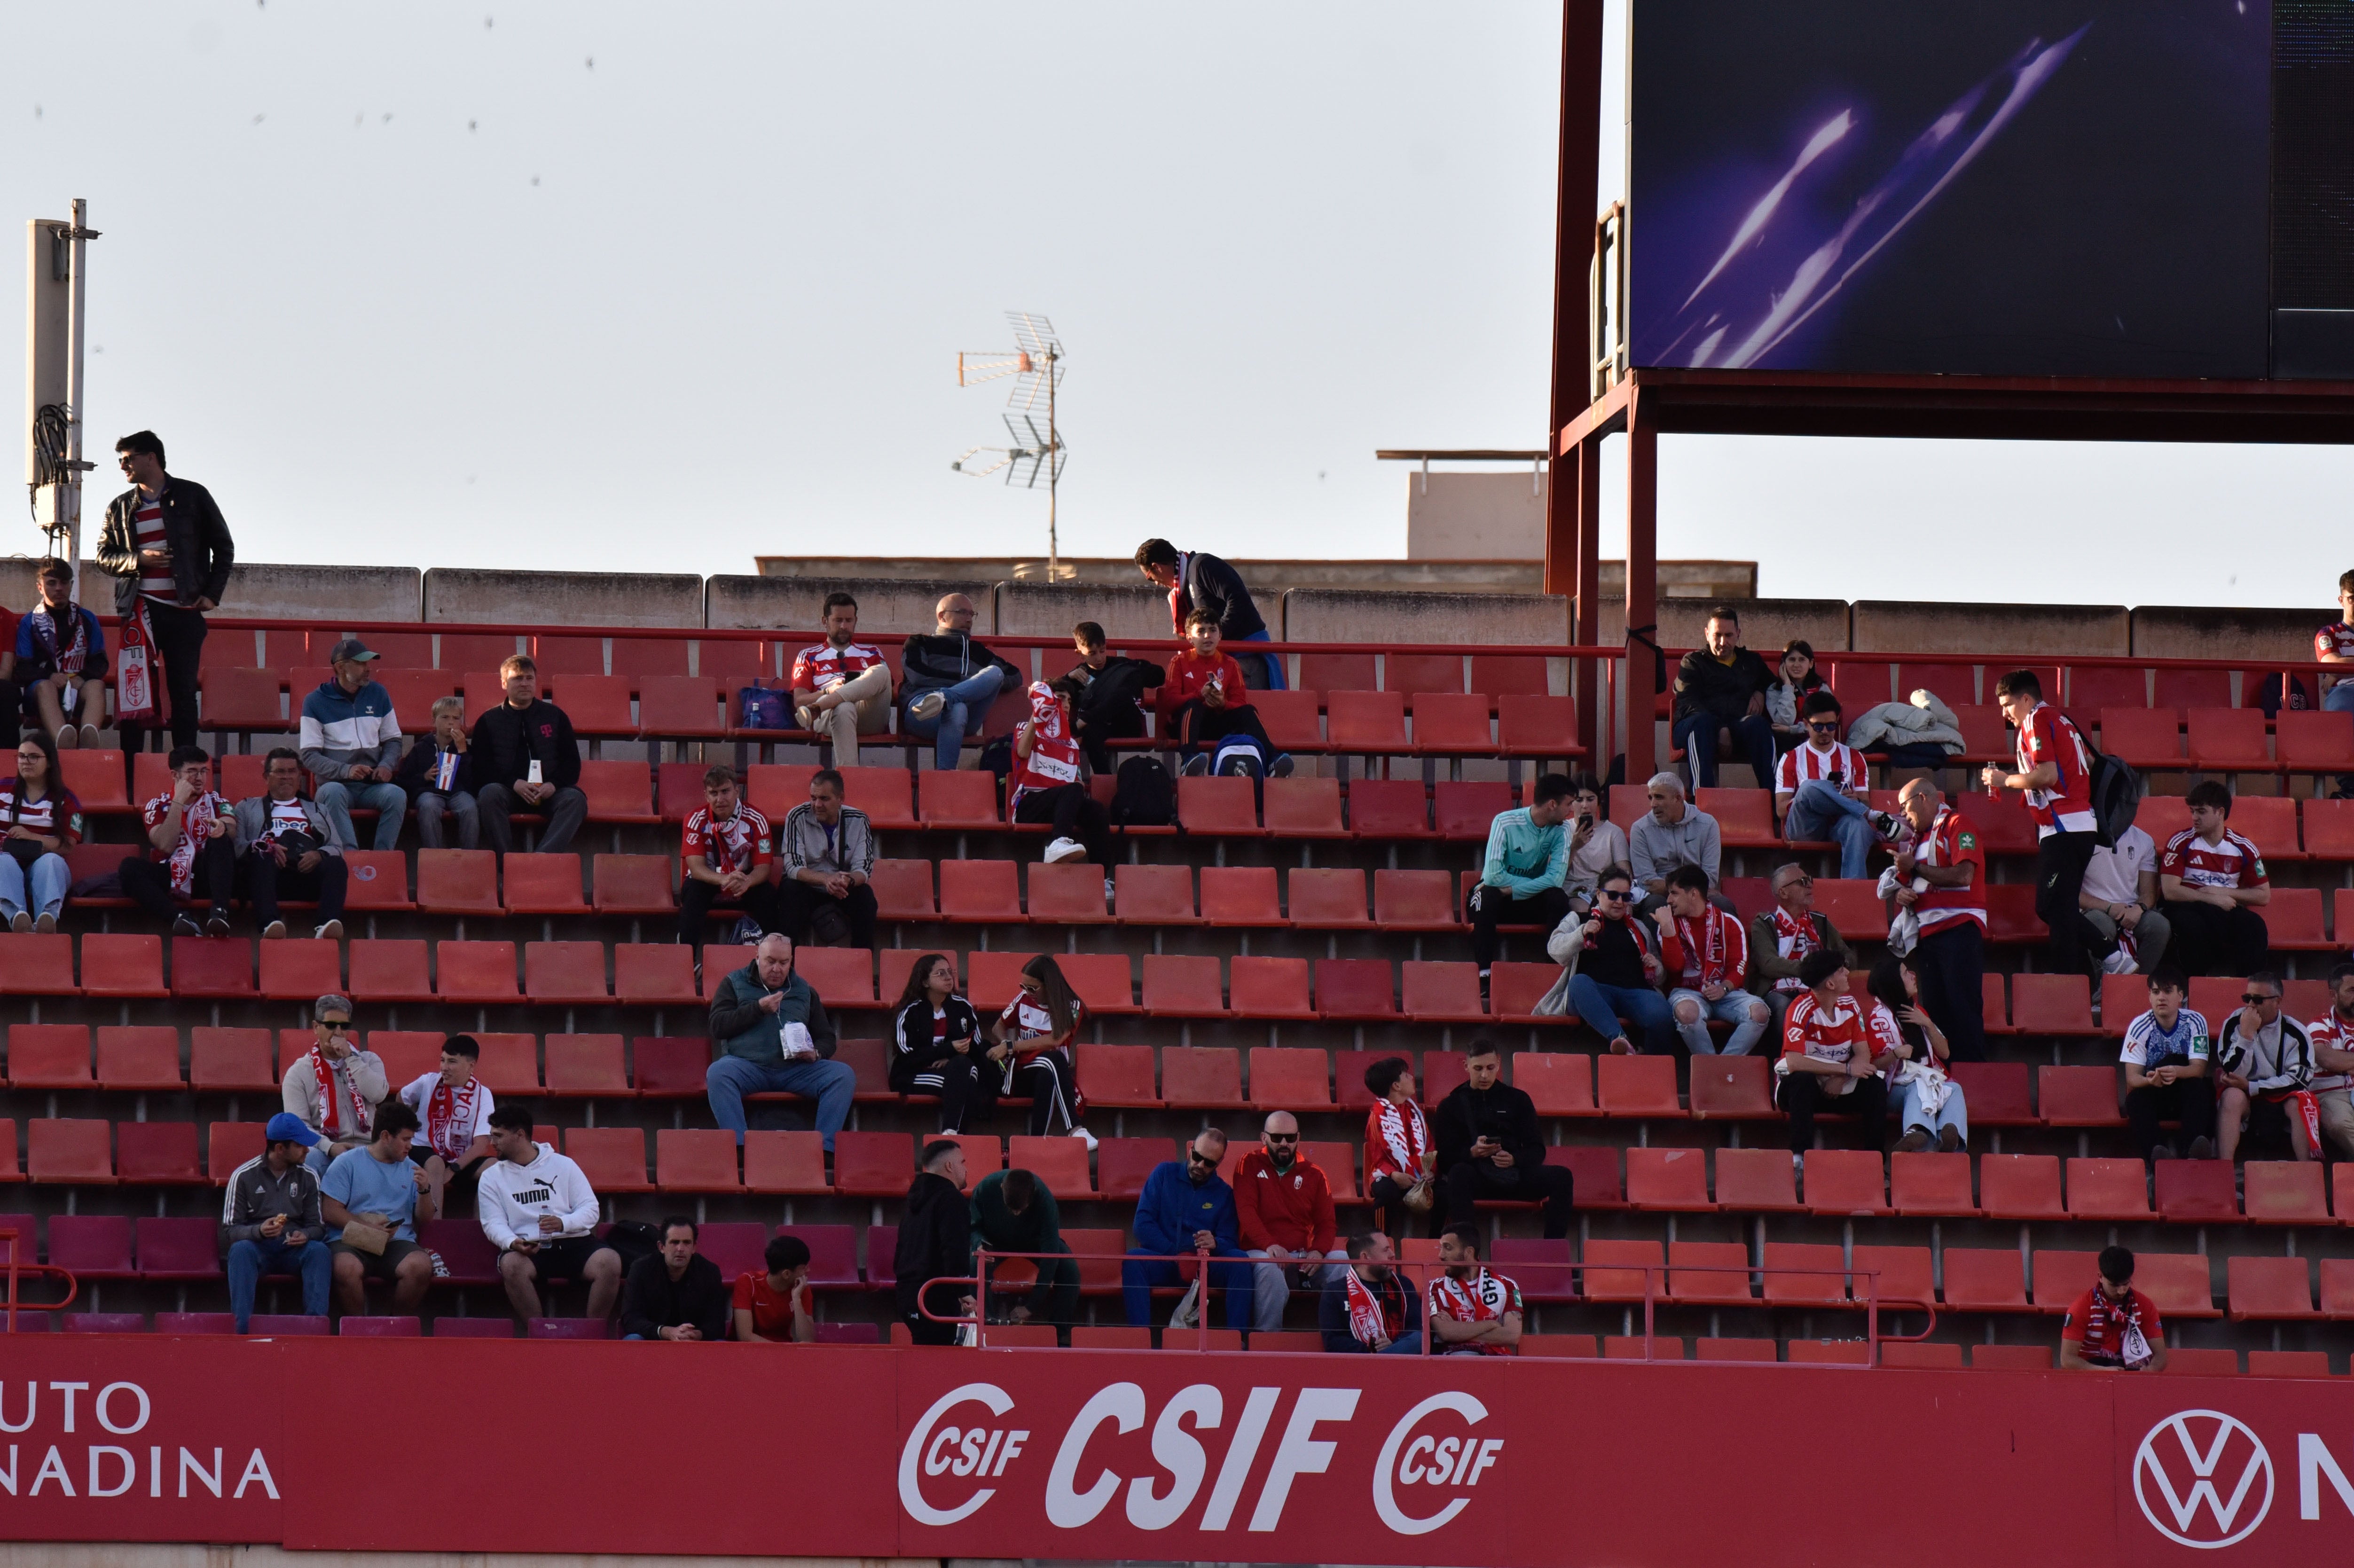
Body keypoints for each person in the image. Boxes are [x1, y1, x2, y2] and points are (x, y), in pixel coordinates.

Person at [94, 430, 234, 758]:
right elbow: (103, 557)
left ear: (151, 458)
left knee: (183, 693)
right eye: (120, 460)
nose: (122, 467)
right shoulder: (119, 507)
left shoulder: (193, 495)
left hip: (184, 611)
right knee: (133, 693)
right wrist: (138, 560)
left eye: (127, 459)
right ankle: (130, 772)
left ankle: (187, 767)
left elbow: (224, 548)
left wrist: (213, 594)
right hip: (139, 610)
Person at [1982, 669, 2098, 978]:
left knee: (2051, 908)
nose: (2005, 714)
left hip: (2063, 828)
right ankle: (2090, 972)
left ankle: (2092, 965)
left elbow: (2047, 775)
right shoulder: (2061, 719)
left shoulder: (2035, 720)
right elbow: (2088, 762)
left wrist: (2005, 780)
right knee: (2060, 908)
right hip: (2079, 825)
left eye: (2007, 705)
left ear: (2025, 698)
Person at [705, 933, 855, 1151]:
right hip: (747, 1066)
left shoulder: (804, 990)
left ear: (791, 961)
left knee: (843, 1075)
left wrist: (816, 1053)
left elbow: (827, 1037)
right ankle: (738, 1147)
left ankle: (825, 1149)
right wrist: (758, 1010)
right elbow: (717, 1026)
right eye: (771, 962)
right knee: (718, 1074)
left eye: (784, 963)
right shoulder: (734, 983)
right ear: (757, 957)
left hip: (795, 1069)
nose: (777, 969)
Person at [476, 1104, 623, 1322]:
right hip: (529, 1248)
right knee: (511, 1265)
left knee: (610, 1261)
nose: (493, 1143)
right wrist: (512, 1242)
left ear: (520, 1135)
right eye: (492, 1136)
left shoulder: (564, 1165)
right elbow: (492, 1223)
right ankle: (539, 1333)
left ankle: (595, 1332)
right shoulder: (492, 1177)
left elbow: (591, 1209)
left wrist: (563, 1223)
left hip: (574, 1242)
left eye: (498, 1136)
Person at [1888, 777, 1987, 1063]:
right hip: (1928, 934)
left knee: (1963, 1008)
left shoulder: (1957, 824)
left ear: (1922, 798)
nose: (1905, 816)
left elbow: (1963, 875)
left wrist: (1916, 868)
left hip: (1958, 929)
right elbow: (1914, 883)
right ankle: (1943, 1073)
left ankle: (1972, 1077)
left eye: (1906, 808)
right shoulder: (1918, 838)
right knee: (1935, 1012)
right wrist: (1903, 894)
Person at [1432, 1039, 1575, 1236]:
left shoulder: (1518, 1099)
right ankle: (1468, 1252)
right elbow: (1444, 1160)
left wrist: (1515, 1159)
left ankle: (1553, 1251)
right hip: (1477, 1177)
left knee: (1562, 1177)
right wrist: (1472, 1153)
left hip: (1514, 1176)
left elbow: (1537, 1149)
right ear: (1467, 1067)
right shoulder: (1450, 1105)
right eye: (1478, 1068)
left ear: (1499, 1064)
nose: (1485, 1075)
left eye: (1491, 1068)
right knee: (1458, 1174)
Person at [1122, 1129, 1252, 1330]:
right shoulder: (1164, 1174)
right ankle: (1140, 1340)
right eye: (1197, 1157)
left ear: (1219, 1163)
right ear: (1191, 1150)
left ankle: (1238, 1340)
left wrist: (1216, 1243)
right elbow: (1142, 1224)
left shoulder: (1225, 1194)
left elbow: (1230, 1240)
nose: (1200, 1166)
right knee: (1133, 1260)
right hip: (1166, 1259)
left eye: (1209, 1163)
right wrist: (1175, 1254)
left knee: (1240, 1262)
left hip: (1205, 1266)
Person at [220, 1112, 330, 1333]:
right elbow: (231, 1230)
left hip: (294, 1248)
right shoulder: (243, 1176)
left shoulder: (309, 1176)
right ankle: (242, 1329)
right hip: (258, 1248)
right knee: (240, 1251)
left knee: (319, 1252)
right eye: (300, 1146)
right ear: (280, 1149)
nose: (307, 1151)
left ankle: (315, 1329)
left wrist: (306, 1236)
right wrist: (259, 1231)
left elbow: (318, 1226)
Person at [1466, 772, 1575, 997]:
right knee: (1488, 895)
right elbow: (1494, 877)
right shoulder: (1504, 822)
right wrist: (1526, 886)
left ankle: (1551, 974)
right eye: (1569, 804)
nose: (1571, 811)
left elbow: (1556, 880)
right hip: (1496, 899)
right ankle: (1484, 976)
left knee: (1558, 898)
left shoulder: (1562, 829)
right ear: (1552, 805)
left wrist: (1514, 889)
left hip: (1524, 899)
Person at [321, 1099, 434, 1316]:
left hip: (396, 1241)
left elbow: (426, 1219)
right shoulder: (347, 1162)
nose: (410, 1146)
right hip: (350, 1239)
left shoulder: (413, 1169)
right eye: (405, 1139)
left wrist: (424, 1191)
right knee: (346, 1268)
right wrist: (368, 1229)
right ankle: (359, 1329)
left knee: (420, 1266)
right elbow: (330, 1211)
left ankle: (393, 1327)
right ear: (385, 1136)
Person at [1234, 1112, 1344, 1333]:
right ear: (1264, 1138)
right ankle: (1267, 1337)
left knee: (1342, 1260)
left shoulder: (1315, 1174)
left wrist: (1319, 1252)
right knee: (1269, 1265)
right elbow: (1246, 1212)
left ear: (1298, 1138)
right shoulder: (1249, 1163)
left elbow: (1327, 1223)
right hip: (1260, 1252)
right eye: (1277, 1138)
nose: (1284, 1143)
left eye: (1290, 1138)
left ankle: (1340, 1336)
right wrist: (1270, 1245)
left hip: (1301, 1258)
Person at [1773, 691, 1900, 879]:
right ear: (1806, 724)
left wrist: (1854, 800)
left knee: (1859, 824)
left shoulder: (1854, 757)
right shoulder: (1791, 758)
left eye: (1831, 726)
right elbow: (1782, 810)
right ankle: (1874, 817)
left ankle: (1853, 891)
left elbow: (1863, 802)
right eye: (1818, 726)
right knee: (1809, 788)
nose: (1825, 731)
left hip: (1841, 824)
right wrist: (1820, 797)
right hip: (1805, 827)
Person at [469, 654, 586, 855]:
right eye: (518, 678)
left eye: (529, 678)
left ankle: (541, 860)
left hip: (549, 793)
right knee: (489, 795)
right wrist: (514, 783)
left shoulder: (556, 716)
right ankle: (507, 862)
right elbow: (481, 767)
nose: (525, 684)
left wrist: (553, 785)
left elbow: (572, 763)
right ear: (504, 683)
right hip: (509, 792)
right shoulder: (488, 721)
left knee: (575, 800)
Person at [1774, 950, 1890, 1155]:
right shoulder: (1799, 1009)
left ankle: (1875, 1162)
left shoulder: (1850, 1005)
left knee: (1876, 1087)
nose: (1847, 972)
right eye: (1841, 970)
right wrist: (1845, 1068)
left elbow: (1863, 1054)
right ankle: (1800, 1159)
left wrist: (1841, 1077)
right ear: (1830, 984)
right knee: (1802, 1081)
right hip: (1802, 1091)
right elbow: (1794, 1062)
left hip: (1841, 1086)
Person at [1552, 865, 1675, 1055]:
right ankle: (1620, 1040)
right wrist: (1581, 934)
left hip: (1636, 993)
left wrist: (1656, 967)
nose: (1619, 902)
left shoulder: (1639, 927)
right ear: (1599, 894)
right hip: (1596, 992)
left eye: (1626, 897)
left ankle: (1651, 1067)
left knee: (1662, 1014)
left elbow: (1660, 979)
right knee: (1579, 983)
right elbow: (1555, 950)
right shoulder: (1579, 919)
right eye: (1613, 895)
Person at [299, 638, 407, 853]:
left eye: (368, 663)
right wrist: (346, 770)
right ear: (340, 667)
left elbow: (393, 740)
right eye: (361, 664)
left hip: (372, 786)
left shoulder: (379, 693)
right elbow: (309, 755)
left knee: (397, 795)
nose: (368, 669)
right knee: (331, 792)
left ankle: (382, 859)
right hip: (336, 784)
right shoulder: (314, 701)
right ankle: (350, 858)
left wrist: (386, 766)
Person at [232, 747, 350, 940]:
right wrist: (268, 848)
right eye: (279, 772)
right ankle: (269, 924)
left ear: (299, 776)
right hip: (268, 876)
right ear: (266, 777)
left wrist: (318, 855)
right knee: (262, 857)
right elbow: (238, 848)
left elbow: (337, 848)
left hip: (306, 873)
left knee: (336, 864)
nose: (286, 777)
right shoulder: (246, 807)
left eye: (291, 771)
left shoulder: (319, 810)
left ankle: (325, 925)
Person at [1155, 608, 1289, 777]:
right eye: (1201, 631)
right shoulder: (1179, 662)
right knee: (1193, 705)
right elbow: (1170, 703)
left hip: (1218, 722)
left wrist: (1223, 704)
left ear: (1220, 636)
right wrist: (1199, 695)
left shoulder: (1230, 664)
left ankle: (1273, 759)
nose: (1207, 636)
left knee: (1248, 710)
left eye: (1212, 630)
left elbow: (1239, 702)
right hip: (1186, 726)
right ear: (1190, 638)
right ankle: (1188, 759)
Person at [1654, 863, 1772, 1056]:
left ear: (1693, 894)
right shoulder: (1668, 925)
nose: (1669, 900)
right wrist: (1667, 929)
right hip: (1687, 992)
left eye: (1674, 893)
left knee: (1760, 1013)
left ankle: (1724, 1064)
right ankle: (1711, 1066)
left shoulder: (1729, 922)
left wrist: (1724, 988)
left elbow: (1740, 966)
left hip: (1727, 993)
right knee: (1687, 1013)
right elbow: (1675, 967)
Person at [1134, 537, 1283, 690]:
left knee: (1246, 709)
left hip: (1246, 658)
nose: (1157, 584)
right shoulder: (1186, 583)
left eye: (1151, 579)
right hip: (1221, 663)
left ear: (1157, 567)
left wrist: (1213, 637)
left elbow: (1239, 601)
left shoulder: (1202, 565)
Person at [2157, 781, 2272, 977]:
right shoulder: (2180, 841)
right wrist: (2210, 898)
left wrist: (2222, 893)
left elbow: (2263, 896)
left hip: (2224, 906)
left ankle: (2251, 991)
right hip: (2186, 905)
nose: (2195, 818)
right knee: (2193, 927)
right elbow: (2170, 891)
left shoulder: (2243, 846)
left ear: (2220, 812)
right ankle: (2190, 987)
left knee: (2255, 927)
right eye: (2192, 811)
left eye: (2201, 812)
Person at [121, 744, 235, 936]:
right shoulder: (156, 805)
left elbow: (231, 827)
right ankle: (180, 919)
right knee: (129, 868)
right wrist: (178, 802)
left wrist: (222, 827)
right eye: (192, 772)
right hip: (172, 871)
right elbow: (165, 844)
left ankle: (219, 912)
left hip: (208, 872)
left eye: (203, 771)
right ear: (175, 776)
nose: (199, 779)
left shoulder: (217, 801)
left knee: (220, 839)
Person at [900, 594, 1023, 771]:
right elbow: (918, 675)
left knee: (995, 673)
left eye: (971, 614)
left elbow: (1015, 674)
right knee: (957, 708)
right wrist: (967, 681)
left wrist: (980, 684)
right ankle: (946, 776)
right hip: (922, 712)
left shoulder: (978, 651)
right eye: (962, 612)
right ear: (942, 616)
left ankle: (945, 698)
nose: (969, 619)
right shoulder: (920, 642)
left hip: (968, 715)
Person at [1010, 681, 1115, 877]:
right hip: (1030, 803)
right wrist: (1038, 714)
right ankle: (1058, 842)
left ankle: (1102, 878)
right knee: (1072, 790)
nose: (1065, 705)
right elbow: (1023, 752)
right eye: (1060, 699)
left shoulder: (1071, 744)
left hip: (1060, 805)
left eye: (1069, 700)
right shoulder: (1026, 728)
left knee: (1097, 810)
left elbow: (1076, 782)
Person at [1867, 950, 1968, 1153]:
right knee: (1918, 1085)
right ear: (1894, 982)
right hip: (1892, 1088)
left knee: (1955, 1089)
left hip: (1926, 1080)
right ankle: (1916, 1134)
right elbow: (1873, 1065)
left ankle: (1950, 1139)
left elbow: (1945, 1053)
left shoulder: (1919, 1012)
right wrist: (1896, 1054)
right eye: (1906, 974)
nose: (1913, 976)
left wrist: (1928, 1024)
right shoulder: (1877, 1019)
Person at [888, 951, 995, 1133]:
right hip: (914, 1074)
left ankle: (951, 1133)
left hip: (955, 1071)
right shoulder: (910, 1013)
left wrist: (952, 1057)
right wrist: (948, 1050)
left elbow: (976, 1047)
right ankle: (955, 1135)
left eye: (950, 972)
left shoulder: (963, 1007)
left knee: (964, 1068)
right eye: (941, 974)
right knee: (967, 1081)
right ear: (925, 982)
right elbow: (908, 1056)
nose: (948, 978)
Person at [2214, 973, 2315, 1164]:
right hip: (2245, 1097)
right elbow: (2231, 1072)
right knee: (2231, 1096)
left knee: (2300, 1102)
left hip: (2280, 1097)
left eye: (2258, 1000)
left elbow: (2300, 1080)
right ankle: (2224, 1169)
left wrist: (2253, 1086)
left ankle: (2307, 1170)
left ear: (2278, 1002)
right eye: (2247, 999)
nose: (2251, 1005)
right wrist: (2246, 1036)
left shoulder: (2296, 1032)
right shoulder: (2235, 1023)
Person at [677, 764, 781, 948]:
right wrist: (725, 879)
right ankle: (686, 960)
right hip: (709, 880)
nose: (720, 799)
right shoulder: (694, 819)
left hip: (745, 880)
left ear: (737, 791)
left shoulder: (757, 819)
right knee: (693, 892)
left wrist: (748, 881)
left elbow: (763, 869)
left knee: (768, 895)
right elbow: (696, 868)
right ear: (706, 796)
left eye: (725, 792)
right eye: (714, 793)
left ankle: (776, 958)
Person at [988, 953, 1090, 1138]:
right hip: (1022, 1069)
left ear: (1049, 986)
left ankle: (1036, 1140)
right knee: (1053, 1062)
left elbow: (1056, 1040)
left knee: (1050, 1069)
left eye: (1033, 988)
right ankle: (1075, 1128)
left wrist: (1011, 1046)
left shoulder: (1073, 1006)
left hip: (1052, 1072)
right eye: (1023, 987)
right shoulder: (1023, 999)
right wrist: (1005, 1044)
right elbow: (998, 1026)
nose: (1028, 993)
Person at [1671, 605, 1774, 788]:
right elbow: (1688, 701)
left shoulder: (1751, 661)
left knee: (1759, 725)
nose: (1722, 642)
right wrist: (1721, 727)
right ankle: (1702, 799)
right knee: (1702, 724)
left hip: (1737, 725)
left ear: (1738, 634)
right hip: (1696, 727)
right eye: (1717, 635)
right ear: (1707, 634)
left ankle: (1775, 803)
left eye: (1728, 636)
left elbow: (1772, 683)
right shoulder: (1693, 662)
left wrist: (1760, 691)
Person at [788, 591, 895, 767]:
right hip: (829, 716)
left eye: (849, 620)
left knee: (882, 672)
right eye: (838, 621)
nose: (844, 626)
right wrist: (828, 691)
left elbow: (886, 689)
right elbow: (799, 701)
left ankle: (820, 707)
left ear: (856, 621)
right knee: (844, 708)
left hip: (868, 714)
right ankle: (849, 780)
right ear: (825, 621)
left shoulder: (872, 652)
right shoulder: (808, 656)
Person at [2119, 969, 2215, 1162]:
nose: (2161, 998)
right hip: (2155, 1092)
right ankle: (2157, 1155)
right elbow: (2132, 1078)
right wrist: (2150, 1080)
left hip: (2185, 1092)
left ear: (2180, 995)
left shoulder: (2196, 1021)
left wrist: (2176, 1071)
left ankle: (2192, 1150)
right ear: (2149, 997)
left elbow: (2198, 1068)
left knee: (2202, 1086)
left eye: (2167, 991)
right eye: (2156, 992)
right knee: (2135, 1100)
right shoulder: (2139, 1026)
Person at [9, 558, 106, 750]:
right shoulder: (30, 623)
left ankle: (89, 740)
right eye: (52, 583)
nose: (59, 588)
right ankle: (63, 742)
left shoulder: (87, 618)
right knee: (46, 687)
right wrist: (51, 677)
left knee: (96, 685)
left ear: (71, 586)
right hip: (40, 695)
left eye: (64, 583)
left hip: (78, 688)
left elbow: (100, 662)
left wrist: (82, 678)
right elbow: (23, 668)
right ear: (40, 587)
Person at [396, 1034, 495, 1219]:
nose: (444, 1068)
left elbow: (482, 1144)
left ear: (471, 1066)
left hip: (459, 1159)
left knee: (496, 1168)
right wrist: (407, 1127)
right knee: (436, 1164)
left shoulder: (484, 1094)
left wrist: (454, 1169)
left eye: (452, 1062)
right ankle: (434, 1229)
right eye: (442, 1060)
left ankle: (481, 1230)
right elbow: (402, 1097)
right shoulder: (428, 1082)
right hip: (424, 1148)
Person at [281, 995, 384, 1173]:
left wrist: (351, 1058)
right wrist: (329, 1147)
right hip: (327, 1151)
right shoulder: (298, 1072)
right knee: (309, 1157)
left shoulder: (369, 1060)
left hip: (368, 1148)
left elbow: (377, 1095)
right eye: (331, 1026)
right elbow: (298, 1126)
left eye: (344, 1027)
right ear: (316, 1027)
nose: (338, 1033)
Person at [776, 769, 877, 950]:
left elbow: (864, 868)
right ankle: (787, 963)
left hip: (842, 888)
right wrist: (826, 880)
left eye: (824, 799)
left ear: (841, 798)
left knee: (866, 898)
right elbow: (792, 868)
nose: (817, 805)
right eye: (813, 798)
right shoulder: (797, 816)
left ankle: (862, 964)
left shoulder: (859, 819)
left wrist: (848, 881)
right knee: (790, 891)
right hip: (808, 887)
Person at [971, 1167, 1079, 1335]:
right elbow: (972, 1226)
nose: (1016, 1214)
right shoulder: (985, 1188)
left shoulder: (1045, 1200)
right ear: (1001, 1188)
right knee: (974, 1263)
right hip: (994, 1241)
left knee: (1070, 1270)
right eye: (1011, 1209)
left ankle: (1059, 1335)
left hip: (1034, 1242)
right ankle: (985, 1330)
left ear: (1034, 1194)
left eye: (1020, 1210)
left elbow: (1051, 1255)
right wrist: (979, 1243)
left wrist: (1031, 1306)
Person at [1749, 863, 1853, 1036]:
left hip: (1821, 988)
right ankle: (1786, 1061)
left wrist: (1837, 968)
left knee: (1845, 1005)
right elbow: (1768, 964)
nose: (1810, 885)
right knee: (1784, 1007)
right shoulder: (1765, 923)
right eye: (1803, 882)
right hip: (1781, 991)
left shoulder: (1819, 921)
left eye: (1810, 880)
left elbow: (1846, 953)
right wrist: (1814, 970)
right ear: (1783, 892)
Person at [1052, 621, 1162, 773]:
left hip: (1127, 723)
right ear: (1080, 654)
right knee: (1090, 732)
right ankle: (1105, 780)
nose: (1099, 658)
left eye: (1102, 651)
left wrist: (1138, 670)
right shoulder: (1079, 675)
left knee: (1124, 692)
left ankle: (1085, 720)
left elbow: (1159, 677)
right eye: (1092, 654)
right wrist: (1068, 677)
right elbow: (1052, 691)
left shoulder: (1120, 665)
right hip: (1098, 726)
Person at [896, 1138, 976, 1345]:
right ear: (949, 1166)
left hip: (908, 1294)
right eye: (962, 1163)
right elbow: (953, 1247)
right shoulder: (951, 1199)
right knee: (939, 1365)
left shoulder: (913, 1201)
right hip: (936, 1296)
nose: (966, 1169)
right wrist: (963, 1290)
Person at [0, 729, 81, 933]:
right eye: (21, 756)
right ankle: (18, 918)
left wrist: (32, 837)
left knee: (51, 862)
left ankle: (47, 920)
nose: (26, 761)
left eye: (34, 757)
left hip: (44, 869)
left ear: (50, 762)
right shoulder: (2, 789)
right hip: (7, 867)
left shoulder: (67, 799)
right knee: (3, 861)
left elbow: (68, 846)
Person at [2078, 820, 2169, 976]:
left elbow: (2148, 893)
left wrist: (2139, 909)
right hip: (2095, 909)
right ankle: (2103, 991)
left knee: (2159, 926)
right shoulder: (2082, 836)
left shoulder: (2144, 840)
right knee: (2100, 926)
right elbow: (2072, 893)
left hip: (2132, 909)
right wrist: (2109, 907)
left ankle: (2139, 985)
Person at [2059, 1246, 2168, 1372]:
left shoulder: (2144, 1306)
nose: (2121, 1291)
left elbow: (2161, 1356)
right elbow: (2067, 1360)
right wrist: (2102, 1371)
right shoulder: (2082, 1307)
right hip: (2091, 1372)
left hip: (2132, 1372)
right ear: (2100, 1277)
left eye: (2126, 1284)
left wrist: (2149, 1371)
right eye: (2114, 1285)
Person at [1628, 773, 1724, 914]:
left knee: (1723, 904)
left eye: (1659, 797)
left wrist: (1676, 891)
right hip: (1662, 896)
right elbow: (1647, 881)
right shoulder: (1640, 829)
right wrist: (1682, 892)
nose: (1653, 804)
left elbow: (1709, 877)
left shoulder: (1708, 824)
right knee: (1655, 904)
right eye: (1651, 797)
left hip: (1696, 892)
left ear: (1678, 798)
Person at [621, 1218, 730, 1341]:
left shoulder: (710, 1272)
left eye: (687, 1243)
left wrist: (697, 1335)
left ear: (694, 1247)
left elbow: (717, 1324)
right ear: (661, 1247)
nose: (680, 1249)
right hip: (653, 1340)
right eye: (675, 1242)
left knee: (720, 1344)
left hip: (695, 1343)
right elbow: (631, 1319)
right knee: (633, 1339)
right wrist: (666, 1332)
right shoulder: (641, 1269)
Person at [390, 695, 477, 849]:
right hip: (429, 791)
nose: (451, 722)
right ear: (434, 721)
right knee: (429, 807)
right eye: (444, 717)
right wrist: (424, 777)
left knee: (469, 808)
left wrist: (463, 751)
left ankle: (469, 855)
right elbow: (403, 780)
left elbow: (471, 782)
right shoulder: (422, 748)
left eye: (456, 719)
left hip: (458, 792)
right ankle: (434, 855)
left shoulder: (465, 748)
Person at [1363, 1056, 1436, 1239]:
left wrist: (1431, 1172)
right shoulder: (1377, 1116)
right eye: (1406, 1075)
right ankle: (1379, 1240)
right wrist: (1395, 1175)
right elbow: (1378, 1157)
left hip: (1420, 1176)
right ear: (1396, 1085)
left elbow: (1429, 1147)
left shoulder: (1417, 1114)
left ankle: (1438, 1242)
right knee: (1387, 1193)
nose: (1412, 1078)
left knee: (1447, 1194)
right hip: (1387, 1175)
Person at [1426, 1224, 1524, 1356]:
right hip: (1456, 1358)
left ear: (1469, 1253)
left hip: (1497, 1360)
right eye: (1441, 1248)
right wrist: (1492, 1324)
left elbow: (1512, 1336)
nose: (1441, 1255)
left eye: (1448, 1248)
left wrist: (1459, 1331)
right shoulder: (1435, 1287)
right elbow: (1445, 1333)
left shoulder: (1507, 1285)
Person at [1319, 1232, 1423, 1354]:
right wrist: (1371, 1348)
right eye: (1386, 1250)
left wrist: (1394, 1344)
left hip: (1402, 1361)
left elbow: (1416, 1327)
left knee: (1419, 1339)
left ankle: (1384, 1359)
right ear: (1365, 1257)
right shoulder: (1335, 1292)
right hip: (1359, 1365)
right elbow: (1333, 1341)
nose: (1392, 1255)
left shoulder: (1404, 1285)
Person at [2304, 961, 2354, 1162]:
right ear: (2333, 996)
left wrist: (2345, 1062)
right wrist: (2339, 1062)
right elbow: (2326, 1058)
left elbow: (2337, 1060)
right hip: (2333, 1093)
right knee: (2340, 1123)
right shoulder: (2319, 1024)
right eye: (2352, 991)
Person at [1561, 773, 1629, 915]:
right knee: (1580, 908)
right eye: (1579, 800)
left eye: (1591, 799)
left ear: (1598, 801)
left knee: (1625, 907)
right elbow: (1556, 872)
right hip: (1574, 887)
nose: (1585, 806)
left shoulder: (1613, 832)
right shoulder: (1562, 830)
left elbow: (1624, 870)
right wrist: (1574, 847)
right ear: (1571, 803)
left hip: (1606, 886)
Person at [732, 1233, 817, 1343]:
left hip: (782, 1351)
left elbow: (807, 1340)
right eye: (804, 1268)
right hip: (748, 1352)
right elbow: (745, 1336)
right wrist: (782, 1352)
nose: (808, 1271)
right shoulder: (748, 1282)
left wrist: (797, 1299)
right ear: (786, 1274)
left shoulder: (801, 1288)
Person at [2314, 569, 2354, 798]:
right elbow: (2332, 663)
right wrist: (2338, 669)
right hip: (2345, 694)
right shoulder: (2329, 633)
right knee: (2343, 707)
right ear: (2342, 600)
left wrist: (2344, 667)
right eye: (2352, 599)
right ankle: (2350, 789)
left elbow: (2339, 666)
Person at [1764, 638, 1827, 757]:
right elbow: (1783, 721)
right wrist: (1787, 687)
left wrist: (1791, 730)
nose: (1796, 665)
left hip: (1816, 742)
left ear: (1811, 664)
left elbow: (1823, 726)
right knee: (1784, 739)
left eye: (1802, 660)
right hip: (1786, 744)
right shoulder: (1774, 690)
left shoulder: (1822, 689)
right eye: (1792, 660)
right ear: (1783, 664)